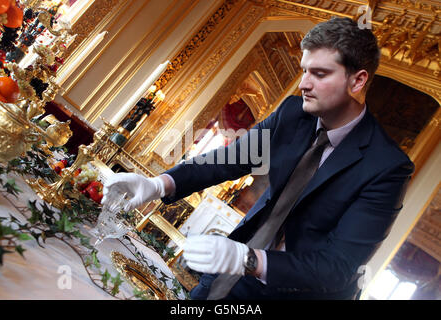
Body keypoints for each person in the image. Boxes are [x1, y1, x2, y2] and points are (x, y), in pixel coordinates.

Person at [102, 17, 414, 300]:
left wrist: (248, 260)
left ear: (357, 81)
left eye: (319, 74)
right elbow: (227, 160)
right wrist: (157, 184)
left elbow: (337, 267)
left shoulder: (387, 167)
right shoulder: (293, 113)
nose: (304, 83)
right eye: (305, 70)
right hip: (233, 272)